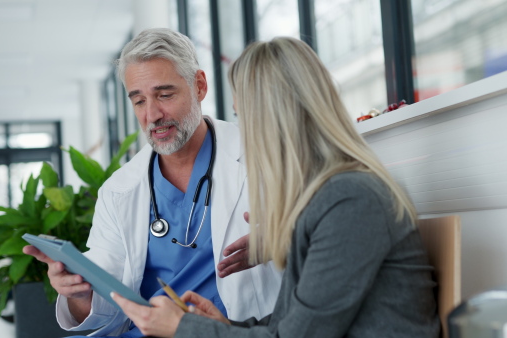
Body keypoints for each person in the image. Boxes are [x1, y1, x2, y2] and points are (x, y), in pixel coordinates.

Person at [111, 37, 440, 337]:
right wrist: (224, 327)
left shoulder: (350, 199)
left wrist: (184, 328)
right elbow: (293, 322)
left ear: (275, 119)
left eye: (245, 118)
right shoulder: (327, 196)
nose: (242, 133)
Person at [23, 28, 282, 337]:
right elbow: (103, 305)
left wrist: (281, 241)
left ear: (199, 86)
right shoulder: (119, 190)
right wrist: (78, 294)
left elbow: (321, 247)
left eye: (164, 95)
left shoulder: (263, 157)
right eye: (139, 101)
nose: (152, 115)